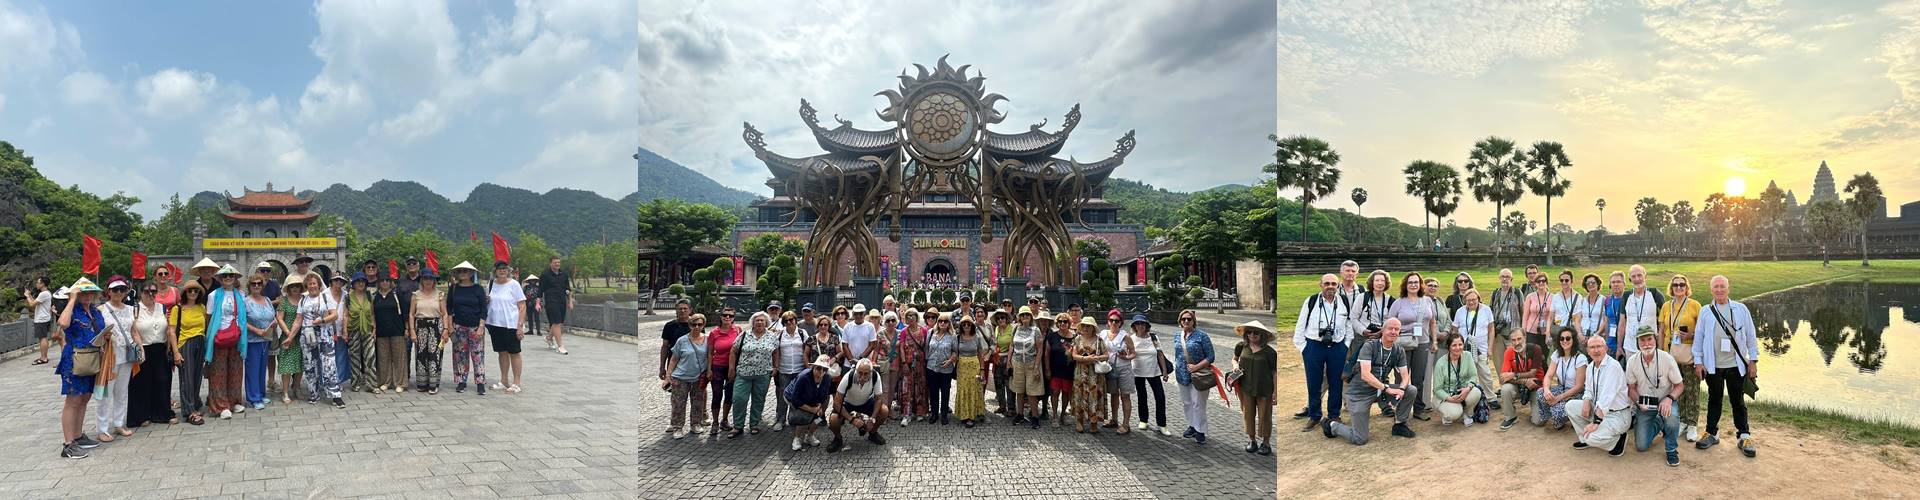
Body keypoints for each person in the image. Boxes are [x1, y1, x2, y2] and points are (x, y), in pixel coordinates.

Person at [1692, 275, 1758, 458]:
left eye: (1722, 286)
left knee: (1738, 401)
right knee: (1714, 399)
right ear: (1711, 289)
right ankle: (1711, 432)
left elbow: (1751, 336)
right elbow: (1699, 338)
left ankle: (1744, 435)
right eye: (1716, 287)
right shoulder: (1706, 311)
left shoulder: (1741, 309)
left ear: (1728, 288)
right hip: (1713, 365)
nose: (1719, 290)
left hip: (1735, 365)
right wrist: (1698, 361)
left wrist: (1753, 360)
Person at [1323, 317, 1416, 445]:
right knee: (1360, 439)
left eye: (1397, 329)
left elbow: (1405, 376)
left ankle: (1400, 425)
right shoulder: (1370, 346)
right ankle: (1332, 426)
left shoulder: (1398, 350)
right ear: (1383, 330)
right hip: (1360, 393)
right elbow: (1365, 375)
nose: (1393, 331)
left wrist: (1400, 389)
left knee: (1410, 390)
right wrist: (1387, 388)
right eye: (1390, 328)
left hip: (1380, 390)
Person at [1293, 274, 1352, 432]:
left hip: (1337, 346)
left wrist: (1345, 345)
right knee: (1314, 383)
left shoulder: (1343, 302)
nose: (1330, 286)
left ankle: (1334, 414)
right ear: (1321, 285)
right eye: (1327, 283)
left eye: (1334, 283)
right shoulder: (1311, 301)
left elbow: (1349, 326)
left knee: (1336, 383)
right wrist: (1304, 348)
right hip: (1314, 346)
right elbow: (1300, 325)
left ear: (1338, 285)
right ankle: (1314, 415)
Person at [55, 278, 105, 458]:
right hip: (75, 358)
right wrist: (71, 299)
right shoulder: (72, 310)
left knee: (84, 398)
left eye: (90, 292)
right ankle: (68, 444)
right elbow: (63, 324)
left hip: (92, 358)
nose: (88, 296)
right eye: (83, 293)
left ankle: (78, 435)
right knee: (73, 400)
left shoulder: (94, 311)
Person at [1626, 326, 1685, 467]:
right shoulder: (1632, 361)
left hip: (1666, 401)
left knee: (1671, 417)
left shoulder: (1667, 359)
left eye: (1649, 339)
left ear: (1655, 340)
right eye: (1642, 340)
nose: (1646, 344)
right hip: (1644, 405)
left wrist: (1669, 399)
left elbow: (1680, 385)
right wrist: (1639, 402)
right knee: (1641, 446)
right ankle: (1659, 423)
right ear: (1637, 343)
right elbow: (1631, 389)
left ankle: (1671, 448)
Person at [1567, 336, 1631, 457]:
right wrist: (1586, 400)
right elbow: (1589, 389)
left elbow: (1607, 397)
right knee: (1570, 406)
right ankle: (1585, 439)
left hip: (1617, 415)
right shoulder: (1591, 366)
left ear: (1606, 348)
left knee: (1592, 438)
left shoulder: (1613, 367)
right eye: (1592, 347)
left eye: (1599, 346)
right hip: (1599, 409)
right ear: (1588, 350)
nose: (1596, 350)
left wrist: (1596, 422)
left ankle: (1618, 440)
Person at [1659, 274, 1704, 442]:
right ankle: (1682, 421)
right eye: (1676, 285)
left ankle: (1692, 423)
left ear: (1687, 287)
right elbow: (1662, 331)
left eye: (1682, 285)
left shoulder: (1694, 305)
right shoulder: (1665, 306)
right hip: (1670, 354)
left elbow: (1702, 332)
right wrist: (1660, 352)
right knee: (1678, 390)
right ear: (1671, 287)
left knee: (1692, 390)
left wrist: (1690, 334)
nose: (1679, 288)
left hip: (1689, 354)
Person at [93, 277, 138, 442]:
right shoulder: (101, 309)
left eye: (122, 290)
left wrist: (139, 347)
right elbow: (95, 333)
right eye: (115, 290)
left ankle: (119, 423)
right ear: (109, 291)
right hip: (109, 356)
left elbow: (134, 331)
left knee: (122, 391)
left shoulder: (129, 309)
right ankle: (102, 428)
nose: (119, 293)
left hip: (127, 355)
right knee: (106, 393)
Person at [128, 280, 177, 428]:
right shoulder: (135, 309)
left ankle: (161, 413)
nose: (150, 294)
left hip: (160, 349)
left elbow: (168, 328)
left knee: (162, 381)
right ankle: (141, 415)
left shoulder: (161, 307)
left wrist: (171, 348)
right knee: (141, 384)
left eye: (154, 291)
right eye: (147, 291)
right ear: (141, 293)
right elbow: (131, 329)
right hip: (143, 348)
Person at [1387, 272, 1434, 420]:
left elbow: (1433, 322)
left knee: (1419, 378)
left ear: (1420, 284)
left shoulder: (1427, 301)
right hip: (1403, 344)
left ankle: (1419, 409)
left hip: (1423, 342)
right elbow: (1390, 324)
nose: (1413, 285)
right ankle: (1401, 410)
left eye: (1416, 282)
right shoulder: (1399, 303)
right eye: (1410, 282)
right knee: (1401, 377)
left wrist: (1435, 341)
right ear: (1405, 285)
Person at [294, 273, 345, 409]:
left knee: (329, 365)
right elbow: (298, 320)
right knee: (310, 366)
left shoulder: (325, 296)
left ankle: (335, 395)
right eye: (309, 284)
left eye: (314, 283)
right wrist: (289, 337)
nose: (312, 286)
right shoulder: (303, 300)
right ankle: (313, 393)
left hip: (324, 335)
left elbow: (334, 315)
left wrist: (322, 320)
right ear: (307, 286)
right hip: (308, 336)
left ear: (318, 284)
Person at [205, 266, 251, 419]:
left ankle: (234, 401)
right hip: (219, 336)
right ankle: (220, 405)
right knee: (218, 372)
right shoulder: (213, 295)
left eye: (231, 275)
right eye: (225, 275)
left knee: (236, 370)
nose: (228, 278)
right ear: (220, 278)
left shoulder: (241, 295)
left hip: (237, 336)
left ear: (235, 278)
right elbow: (209, 317)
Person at [728, 311, 780, 438]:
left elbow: (775, 352)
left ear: (766, 322)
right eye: (757, 320)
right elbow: (733, 351)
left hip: (763, 374)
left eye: (762, 320)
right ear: (753, 322)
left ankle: (754, 424)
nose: (760, 322)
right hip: (743, 373)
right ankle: (738, 426)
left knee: (758, 400)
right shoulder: (744, 335)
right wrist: (731, 368)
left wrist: (775, 367)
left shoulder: (771, 337)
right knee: (739, 399)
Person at [825, 358, 891, 452]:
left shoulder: (875, 376)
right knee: (833, 419)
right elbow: (836, 403)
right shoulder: (848, 376)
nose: (862, 377)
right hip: (848, 403)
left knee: (884, 411)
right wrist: (852, 420)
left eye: (866, 373)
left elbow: (878, 399)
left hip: (866, 402)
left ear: (871, 372)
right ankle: (838, 439)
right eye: (860, 373)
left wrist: (872, 418)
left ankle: (872, 433)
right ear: (856, 371)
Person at [240, 273, 283, 411]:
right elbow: (242, 321)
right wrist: (257, 331)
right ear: (249, 286)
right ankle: (253, 398)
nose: (257, 286)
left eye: (259, 283)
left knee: (261, 368)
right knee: (252, 368)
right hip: (253, 340)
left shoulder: (267, 300)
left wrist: (275, 322)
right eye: (254, 284)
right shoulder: (245, 301)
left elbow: (273, 315)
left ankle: (261, 393)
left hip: (267, 339)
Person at [445, 262, 489, 395]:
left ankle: (480, 381)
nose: (463, 273)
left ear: (471, 273)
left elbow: (483, 309)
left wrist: (481, 326)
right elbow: (449, 308)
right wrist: (450, 326)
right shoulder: (454, 288)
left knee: (477, 354)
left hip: (475, 326)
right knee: (460, 354)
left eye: (466, 271)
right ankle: (461, 380)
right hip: (459, 326)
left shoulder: (478, 289)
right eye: (461, 271)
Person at [1234, 321, 1277, 455]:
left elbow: (1275, 372)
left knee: (1265, 415)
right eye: (1250, 332)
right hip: (1245, 387)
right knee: (1248, 414)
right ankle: (1252, 440)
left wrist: (1276, 391)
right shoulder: (1242, 347)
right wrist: (1235, 365)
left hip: (1264, 388)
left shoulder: (1270, 352)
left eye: (1256, 332)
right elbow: (1234, 359)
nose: (1252, 335)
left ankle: (1266, 443)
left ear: (1262, 335)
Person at [663, 313, 710, 439]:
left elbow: (710, 357)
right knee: (678, 403)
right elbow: (674, 359)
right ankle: (677, 427)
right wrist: (668, 376)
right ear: (689, 325)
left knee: (698, 402)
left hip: (699, 377)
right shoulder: (682, 340)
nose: (696, 327)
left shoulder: (708, 339)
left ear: (703, 325)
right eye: (694, 324)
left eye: (700, 324)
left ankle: (695, 424)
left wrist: (709, 372)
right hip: (681, 377)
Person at [170, 282, 211, 423]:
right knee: (187, 378)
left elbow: (206, 325)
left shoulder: (201, 307)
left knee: (197, 376)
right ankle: (189, 412)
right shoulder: (178, 309)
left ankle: (194, 403)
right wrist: (176, 352)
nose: (193, 293)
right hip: (185, 343)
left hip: (200, 342)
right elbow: (171, 331)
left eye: (196, 291)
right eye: (190, 291)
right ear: (185, 293)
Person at [486, 261, 527, 395]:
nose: (502, 271)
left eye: (504, 269)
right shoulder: (491, 284)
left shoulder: (514, 284)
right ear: (495, 271)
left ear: (508, 270)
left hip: (511, 324)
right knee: (502, 352)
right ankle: (504, 380)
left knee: (514, 352)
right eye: (499, 269)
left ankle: (516, 382)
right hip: (495, 324)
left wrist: (520, 326)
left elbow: (522, 306)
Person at [1538, 327, 1588, 430]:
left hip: (1577, 393)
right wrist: (1547, 390)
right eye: (1562, 338)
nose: (1565, 341)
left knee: (1557, 410)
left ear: (1574, 340)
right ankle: (1554, 418)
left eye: (1568, 338)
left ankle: (1572, 418)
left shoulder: (1580, 358)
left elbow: (1579, 386)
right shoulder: (1557, 354)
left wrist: (1558, 398)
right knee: (1540, 393)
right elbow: (1548, 376)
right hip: (1563, 388)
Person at [782, 354, 835, 451]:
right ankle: (797, 438)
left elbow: (823, 395)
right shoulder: (804, 377)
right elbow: (795, 399)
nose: (821, 372)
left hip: (811, 398)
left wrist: (818, 407)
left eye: (825, 369)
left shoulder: (827, 378)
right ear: (813, 367)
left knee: (819, 417)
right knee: (804, 415)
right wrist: (811, 409)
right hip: (792, 397)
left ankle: (809, 435)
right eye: (819, 368)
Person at [1429, 334, 1483, 427]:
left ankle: (1467, 414)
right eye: (1454, 345)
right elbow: (1437, 389)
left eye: (1460, 344)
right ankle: (1448, 415)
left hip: (1462, 392)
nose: (1458, 348)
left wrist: (1468, 388)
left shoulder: (1467, 356)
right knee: (1454, 414)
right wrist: (1449, 398)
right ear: (1448, 347)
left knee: (1476, 392)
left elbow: (1473, 376)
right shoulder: (1441, 363)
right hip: (1446, 395)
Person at [1498, 329, 1547, 430]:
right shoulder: (1509, 352)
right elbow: (1503, 378)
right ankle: (1510, 417)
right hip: (1520, 385)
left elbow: (1533, 373)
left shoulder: (1535, 349)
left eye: (1519, 339)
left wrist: (1513, 375)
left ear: (1525, 337)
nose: (1517, 343)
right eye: (1514, 340)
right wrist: (1524, 381)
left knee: (1539, 422)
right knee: (1506, 388)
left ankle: (1539, 411)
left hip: (1536, 386)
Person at [1069, 317, 1110, 434]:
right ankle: (1079, 421)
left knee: (1094, 397)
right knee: (1079, 396)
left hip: (1094, 374)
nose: (1086, 328)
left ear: (1093, 328)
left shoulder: (1099, 340)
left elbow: (1107, 356)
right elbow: (1074, 355)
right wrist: (1085, 358)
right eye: (1084, 326)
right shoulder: (1077, 339)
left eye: (1088, 326)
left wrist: (1096, 358)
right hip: (1080, 373)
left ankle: (1093, 422)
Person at [1012, 309, 1052, 429]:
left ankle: (1035, 416)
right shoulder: (1016, 328)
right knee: (1019, 390)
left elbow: (1040, 349)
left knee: (1032, 391)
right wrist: (1009, 361)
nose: (1025, 316)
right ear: (1019, 317)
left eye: (1027, 315)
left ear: (1030, 317)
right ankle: (1020, 414)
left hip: (1031, 363)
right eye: (1022, 315)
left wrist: (1036, 366)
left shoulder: (1036, 330)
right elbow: (1011, 346)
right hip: (1018, 363)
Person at [1452, 289, 1498, 392]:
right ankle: (1469, 397)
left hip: (1481, 347)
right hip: (1464, 348)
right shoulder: (1460, 311)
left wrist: (1490, 348)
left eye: (1474, 299)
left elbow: (1491, 329)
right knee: (1465, 374)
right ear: (1465, 301)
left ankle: (1490, 397)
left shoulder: (1486, 310)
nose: (1471, 302)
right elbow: (1454, 330)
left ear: (1479, 299)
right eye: (1468, 300)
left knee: (1485, 373)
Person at [705, 307, 742, 435]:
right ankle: (715, 422)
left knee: (730, 394)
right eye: (725, 315)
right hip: (717, 366)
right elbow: (710, 353)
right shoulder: (714, 333)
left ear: (733, 318)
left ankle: (724, 419)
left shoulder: (738, 330)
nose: (727, 317)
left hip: (732, 367)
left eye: (730, 316)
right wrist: (709, 369)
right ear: (720, 316)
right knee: (717, 394)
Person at [371, 275, 410, 394]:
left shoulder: (397, 295)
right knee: (383, 358)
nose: (384, 282)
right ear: (378, 282)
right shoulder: (375, 297)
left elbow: (405, 313)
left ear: (391, 282)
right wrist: (374, 330)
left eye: (387, 280)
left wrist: (407, 328)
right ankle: (385, 382)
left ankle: (400, 383)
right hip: (382, 332)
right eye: (382, 280)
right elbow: (373, 315)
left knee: (399, 358)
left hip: (397, 330)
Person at [950, 316, 992, 427]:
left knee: (975, 389)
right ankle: (965, 415)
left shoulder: (977, 337)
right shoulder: (957, 337)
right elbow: (954, 352)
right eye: (964, 324)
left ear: (972, 325)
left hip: (975, 367)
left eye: (968, 324)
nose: (966, 326)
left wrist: (982, 370)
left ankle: (975, 414)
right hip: (962, 368)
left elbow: (980, 354)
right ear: (961, 326)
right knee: (963, 389)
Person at [408, 270, 444, 393]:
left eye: (430, 278)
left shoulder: (440, 294)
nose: (428, 281)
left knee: (435, 355)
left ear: (434, 280)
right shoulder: (416, 295)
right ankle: (422, 383)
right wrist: (412, 331)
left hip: (436, 326)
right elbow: (411, 314)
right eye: (426, 278)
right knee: (421, 355)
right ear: (422, 280)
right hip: (420, 326)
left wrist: (445, 330)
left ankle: (433, 384)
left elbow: (445, 314)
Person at [1102, 309, 1138, 433]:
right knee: (1113, 394)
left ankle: (1126, 424)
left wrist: (1126, 357)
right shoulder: (1103, 334)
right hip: (1109, 369)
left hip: (1124, 369)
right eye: (1111, 320)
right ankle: (1114, 419)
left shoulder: (1125, 336)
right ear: (1108, 322)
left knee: (1125, 395)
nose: (1114, 323)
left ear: (1121, 323)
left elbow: (1133, 353)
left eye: (1116, 321)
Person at [890, 310, 928, 425]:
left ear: (917, 317)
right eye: (908, 316)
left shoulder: (924, 330)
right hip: (908, 363)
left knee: (920, 388)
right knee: (907, 388)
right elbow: (901, 347)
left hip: (920, 364)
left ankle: (920, 412)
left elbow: (926, 347)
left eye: (913, 315)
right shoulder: (904, 331)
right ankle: (906, 414)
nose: (911, 318)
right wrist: (904, 362)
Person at [772, 311, 808, 432]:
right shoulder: (780, 335)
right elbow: (776, 352)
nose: (789, 323)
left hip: (799, 370)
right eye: (786, 321)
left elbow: (807, 350)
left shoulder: (802, 333)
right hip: (784, 370)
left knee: (796, 395)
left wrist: (807, 367)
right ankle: (780, 419)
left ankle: (793, 418)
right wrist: (776, 367)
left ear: (795, 321)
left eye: (791, 320)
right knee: (782, 396)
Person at [1619, 265, 1662, 361]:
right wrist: (1619, 346)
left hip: (1650, 346)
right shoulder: (1626, 296)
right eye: (1633, 276)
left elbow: (1664, 319)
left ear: (1645, 276)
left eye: (1639, 275)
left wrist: (1661, 345)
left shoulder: (1655, 293)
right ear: (1630, 279)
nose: (1637, 279)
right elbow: (1622, 322)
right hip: (1630, 346)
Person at [343, 273, 377, 394]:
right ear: (354, 284)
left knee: (370, 357)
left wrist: (374, 329)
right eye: (358, 281)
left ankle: (371, 383)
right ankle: (355, 383)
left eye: (363, 281)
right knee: (354, 357)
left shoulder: (369, 296)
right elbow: (345, 315)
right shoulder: (348, 297)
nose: (361, 283)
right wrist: (345, 331)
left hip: (367, 329)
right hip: (353, 329)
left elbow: (372, 314)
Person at [924, 311, 958, 425]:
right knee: (933, 392)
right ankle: (934, 413)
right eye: (940, 321)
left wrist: (950, 361)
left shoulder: (952, 336)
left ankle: (944, 414)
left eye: (945, 321)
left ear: (949, 323)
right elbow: (926, 349)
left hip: (946, 369)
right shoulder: (931, 333)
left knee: (945, 392)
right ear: (937, 323)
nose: (942, 323)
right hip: (932, 368)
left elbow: (955, 351)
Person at [275, 280, 305, 403]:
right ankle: (285, 392)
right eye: (292, 286)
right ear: (288, 288)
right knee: (286, 365)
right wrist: (288, 333)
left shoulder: (304, 299)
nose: (295, 288)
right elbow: (279, 318)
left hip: (301, 337)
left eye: (297, 286)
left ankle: (296, 387)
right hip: (287, 338)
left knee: (300, 364)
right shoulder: (284, 301)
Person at [1046, 312, 1077, 427]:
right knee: (1054, 392)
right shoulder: (1052, 336)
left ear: (1069, 323)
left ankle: (1063, 414)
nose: (1062, 323)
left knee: (1066, 393)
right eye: (1060, 322)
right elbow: (1047, 353)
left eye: (1065, 321)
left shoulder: (1075, 337)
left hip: (1069, 371)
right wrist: (1048, 369)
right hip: (1055, 370)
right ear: (1057, 323)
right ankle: (1054, 416)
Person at [538, 256, 574, 355]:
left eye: (558, 262)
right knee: (556, 322)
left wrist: (570, 301)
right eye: (555, 262)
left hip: (562, 301)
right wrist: (538, 303)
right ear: (551, 263)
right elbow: (540, 290)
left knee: (558, 323)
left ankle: (549, 338)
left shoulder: (564, 274)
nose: (557, 264)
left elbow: (568, 289)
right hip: (551, 301)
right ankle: (560, 346)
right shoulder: (545, 275)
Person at [658, 300, 694, 383]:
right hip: (674, 362)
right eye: (680, 309)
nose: (682, 311)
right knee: (676, 392)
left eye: (685, 308)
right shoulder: (669, 326)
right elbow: (665, 346)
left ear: (690, 310)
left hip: (692, 363)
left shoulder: (696, 325)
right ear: (676, 310)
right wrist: (662, 367)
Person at [1521, 272, 1556, 357]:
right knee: (1532, 356)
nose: (1541, 283)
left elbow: (1553, 316)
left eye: (1543, 281)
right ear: (1535, 283)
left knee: (1544, 356)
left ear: (1546, 282)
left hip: (1546, 332)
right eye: (1538, 281)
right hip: (1531, 331)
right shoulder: (1530, 297)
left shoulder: (1553, 297)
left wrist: (1549, 332)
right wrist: (1523, 332)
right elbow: (1525, 316)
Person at [1574, 274, 1609, 347]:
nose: (1590, 284)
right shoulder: (1582, 301)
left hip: (1598, 337)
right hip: (1583, 337)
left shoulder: (1604, 300)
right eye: (1588, 283)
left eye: (1593, 282)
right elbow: (1577, 320)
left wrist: (1595, 335)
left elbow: (1606, 321)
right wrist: (1580, 335)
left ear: (1598, 284)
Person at [27, 276, 54, 365]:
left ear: (42, 284)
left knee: (42, 338)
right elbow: (35, 302)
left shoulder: (44, 294)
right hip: (45, 318)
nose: (36, 284)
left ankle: (44, 358)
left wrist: (27, 296)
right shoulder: (46, 293)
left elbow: (31, 304)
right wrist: (30, 295)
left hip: (41, 319)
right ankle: (43, 356)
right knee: (43, 338)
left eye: (38, 282)